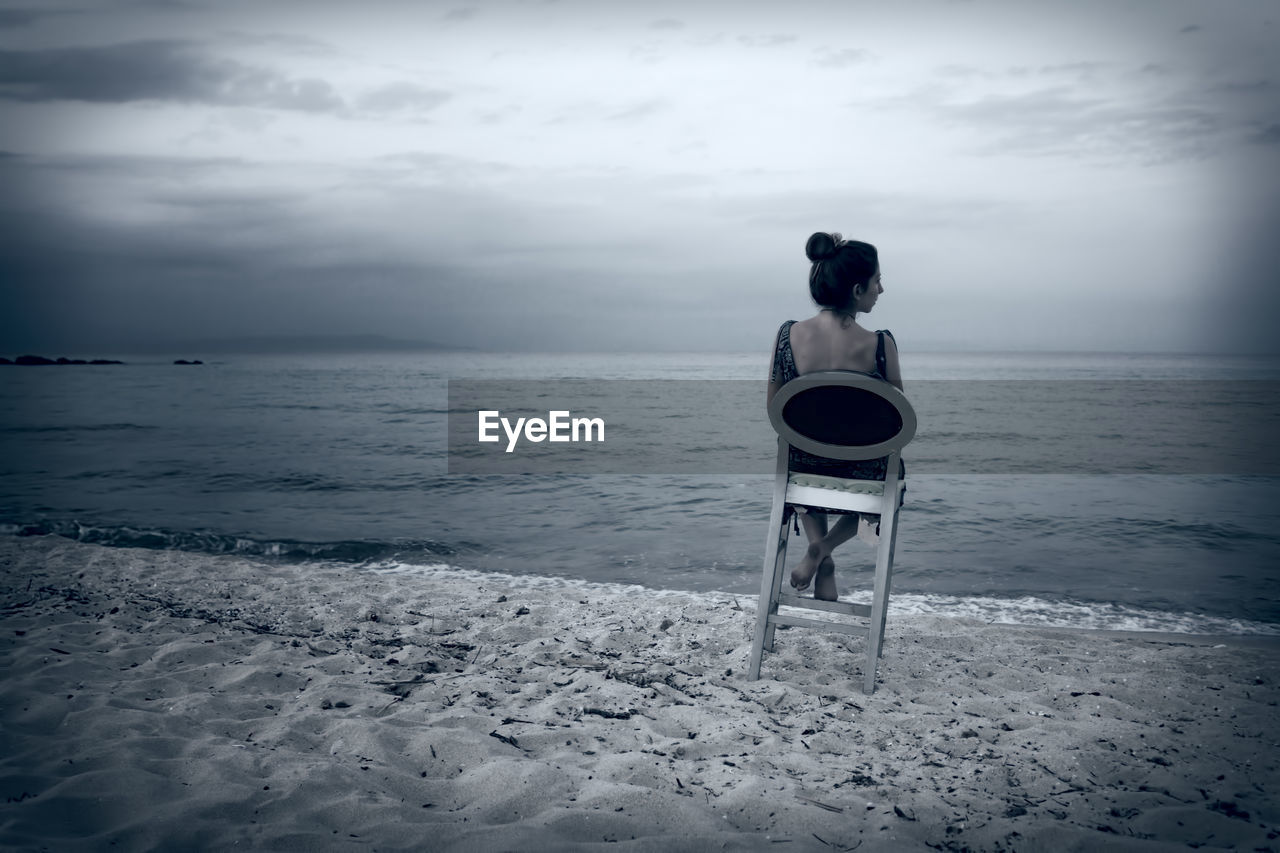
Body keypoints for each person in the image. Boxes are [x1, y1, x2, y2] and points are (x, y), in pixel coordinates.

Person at [766, 231, 904, 602]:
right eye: (878, 281)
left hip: (802, 468)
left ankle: (818, 548)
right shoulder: (880, 345)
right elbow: (898, 424)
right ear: (858, 290)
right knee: (891, 468)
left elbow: (775, 411)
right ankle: (823, 548)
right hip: (864, 475)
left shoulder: (787, 337)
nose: (882, 289)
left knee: (799, 445)